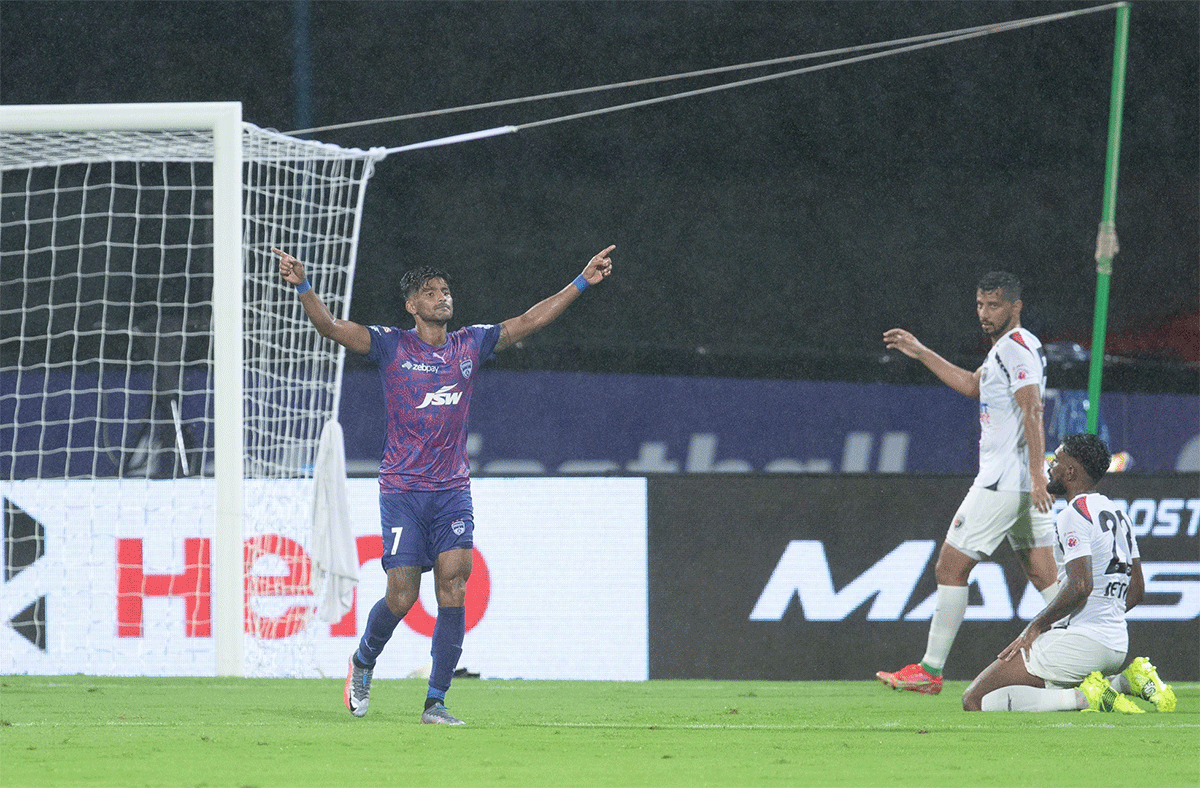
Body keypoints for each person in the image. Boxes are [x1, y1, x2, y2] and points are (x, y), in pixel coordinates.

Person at [274, 244, 615, 725]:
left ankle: (435, 701)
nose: (441, 297)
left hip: (453, 488)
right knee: (402, 597)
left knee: (454, 584)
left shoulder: (470, 344)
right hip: (402, 491)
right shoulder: (392, 345)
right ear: (412, 306)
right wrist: (304, 286)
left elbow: (528, 321)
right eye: (429, 293)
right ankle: (363, 661)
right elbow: (331, 327)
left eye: (445, 290)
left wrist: (580, 281)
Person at [876, 271, 1058, 695]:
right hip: (1019, 485)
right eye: (979, 304)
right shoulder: (1010, 349)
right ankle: (1098, 663)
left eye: (994, 305)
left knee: (950, 567)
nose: (984, 313)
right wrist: (921, 352)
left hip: (1003, 483)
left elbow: (1032, 409)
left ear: (1015, 306)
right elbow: (974, 385)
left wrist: (1036, 476)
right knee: (1048, 581)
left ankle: (931, 669)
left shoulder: (1015, 348)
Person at [961, 432, 1176, 713]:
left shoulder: (1073, 514)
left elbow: (1080, 585)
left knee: (974, 700)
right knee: (1040, 691)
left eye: (1057, 460)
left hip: (1081, 643)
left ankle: (1089, 698)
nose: (1051, 464)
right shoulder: (1118, 513)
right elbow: (1137, 591)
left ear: (1071, 471)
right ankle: (1124, 681)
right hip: (1116, 644)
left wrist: (1035, 627)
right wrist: (1103, 617)